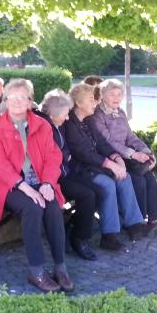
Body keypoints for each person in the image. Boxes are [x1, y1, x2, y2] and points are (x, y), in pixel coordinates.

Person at [0, 79, 73, 293]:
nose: (17, 101)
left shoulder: (42, 125)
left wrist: (48, 183)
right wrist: (25, 187)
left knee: (53, 207)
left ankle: (60, 267)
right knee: (33, 207)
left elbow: (53, 157)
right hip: (7, 184)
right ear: (5, 100)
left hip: (40, 181)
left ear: (30, 101)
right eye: (12, 97)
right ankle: (36, 270)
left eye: (22, 97)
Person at [63, 83, 147, 251]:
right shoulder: (70, 124)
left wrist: (117, 158)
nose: (95, 102)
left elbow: (102, 143)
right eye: (90, 99)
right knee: (108, 184)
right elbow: (84, 154)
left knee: (124, 177)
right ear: (78, 103)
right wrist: (111, 165)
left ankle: (134, 225)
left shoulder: (88, 120)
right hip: (80, 170)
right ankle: (109, 235)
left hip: (97, 166)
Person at [91, 79, 157, 234]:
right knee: (137, 180)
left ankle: (155, 219)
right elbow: (108, 142)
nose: (116, 98)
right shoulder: (97, 115)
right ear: (103, 95)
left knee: (149, 177)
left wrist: (146, 151)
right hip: (111, 157)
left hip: (128, 156)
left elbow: (130, 136)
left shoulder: (120, 112)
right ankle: (137, 222)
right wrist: (133, 154)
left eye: (119, 94)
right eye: (112, 94)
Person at [39, 89, 99, 260]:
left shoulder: (59, 125)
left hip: (65, 171)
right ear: (52, 115)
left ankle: (71, 227)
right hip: (52, 178)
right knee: (87, 195)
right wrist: (64, 157)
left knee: (98, 190)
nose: (67, 118)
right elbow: (52, 156)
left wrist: (64, 156)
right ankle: (79, 239)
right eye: (64, 114)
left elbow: (64, 151)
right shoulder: (45, 128)